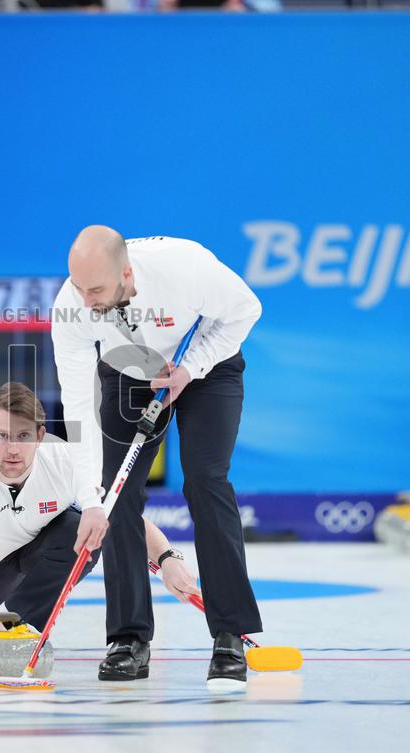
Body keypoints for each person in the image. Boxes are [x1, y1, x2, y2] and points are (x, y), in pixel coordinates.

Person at [50, 225, 262, 688]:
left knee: (206, 480)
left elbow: (247, 309)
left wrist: (191, 368)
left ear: (127, 273)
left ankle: (229, 632)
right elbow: (78, 409)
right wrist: (90, 500)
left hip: (208, 365)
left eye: (97, 290)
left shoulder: (185, 268)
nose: (86, 301)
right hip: (130, 369)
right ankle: (128, 638)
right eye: (79, 288)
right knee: (116, 496)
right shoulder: (72, 306)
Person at [0, 381, 200, 640]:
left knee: (80, 529)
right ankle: (4, 631)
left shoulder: (65, 461)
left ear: (40, 436)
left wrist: (168, 559)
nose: (13, 449)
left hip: (37, 553)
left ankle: (25, 631)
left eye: (23, 436)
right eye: (2, 436)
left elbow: (120, 518)